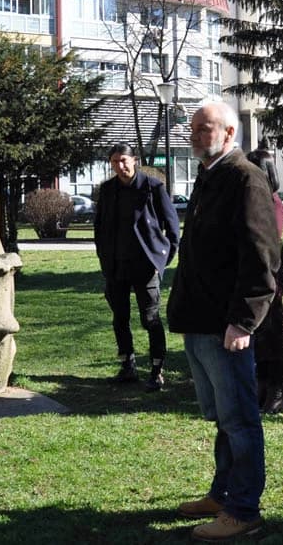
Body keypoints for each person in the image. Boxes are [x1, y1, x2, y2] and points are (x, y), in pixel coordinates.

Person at [168, 102, 281, 541]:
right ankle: (222, 492)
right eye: (193, 128)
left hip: (227, 326)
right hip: (200, 321)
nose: (196, 134)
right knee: (223, 418)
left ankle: (243, 510)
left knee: (240, 420)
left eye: (205, 127)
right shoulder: (210, 175)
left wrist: (243, 322)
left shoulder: (244, 177)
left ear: (230, 131)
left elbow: (261, 257)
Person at [93, 142, 179, 391]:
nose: (120, 166)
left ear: (135, 160)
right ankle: (127, 365)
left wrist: (160, 262)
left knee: (150, 319)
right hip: (116, 267)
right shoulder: (108, 190)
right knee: (120, 318)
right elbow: (99, 228)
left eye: (123, 160)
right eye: (114, 162)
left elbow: (173, 230)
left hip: (145, 266)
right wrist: (104, 258)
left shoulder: (153, 188)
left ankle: (156, 369)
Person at [244, 147, 283, 414]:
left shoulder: (272, 203)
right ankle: (262, 387)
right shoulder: (253, 199)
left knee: (272, 338)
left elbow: (265, 242)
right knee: (259, 338)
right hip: (252, 278)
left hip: (268, 279)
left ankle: (277, 392)